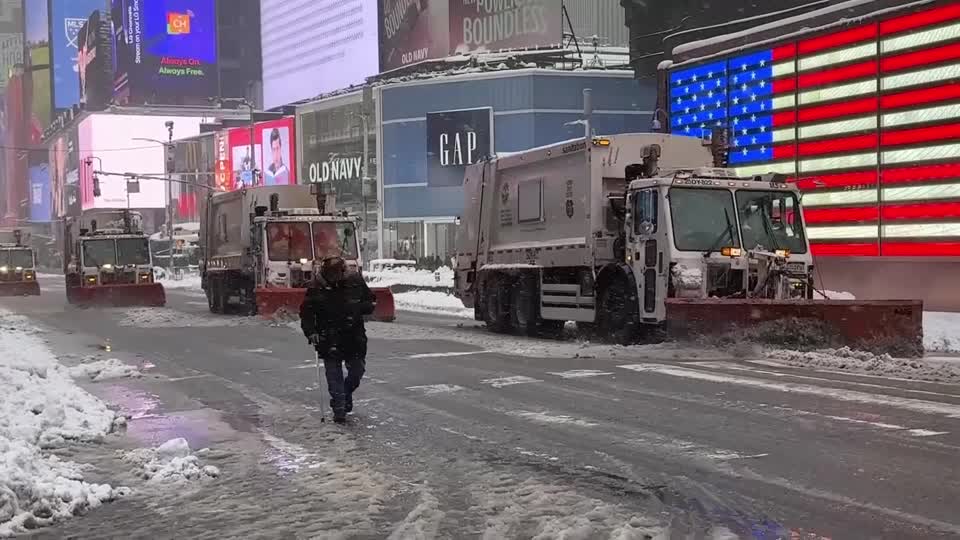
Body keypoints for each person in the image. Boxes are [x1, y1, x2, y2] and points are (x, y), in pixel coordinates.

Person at [300, 256, 376, 423]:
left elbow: (369, 300)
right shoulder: (316, 287)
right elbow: (306, 313)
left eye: (339, 274)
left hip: (353, 336)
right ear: (326, 273)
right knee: (334, 376)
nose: (337, 278)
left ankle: (346, 393)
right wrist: (311, 332)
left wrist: (362, 307)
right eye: (333, 275)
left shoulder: (355, 282)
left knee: (357, 372)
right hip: (329, 337)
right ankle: (339, 408)